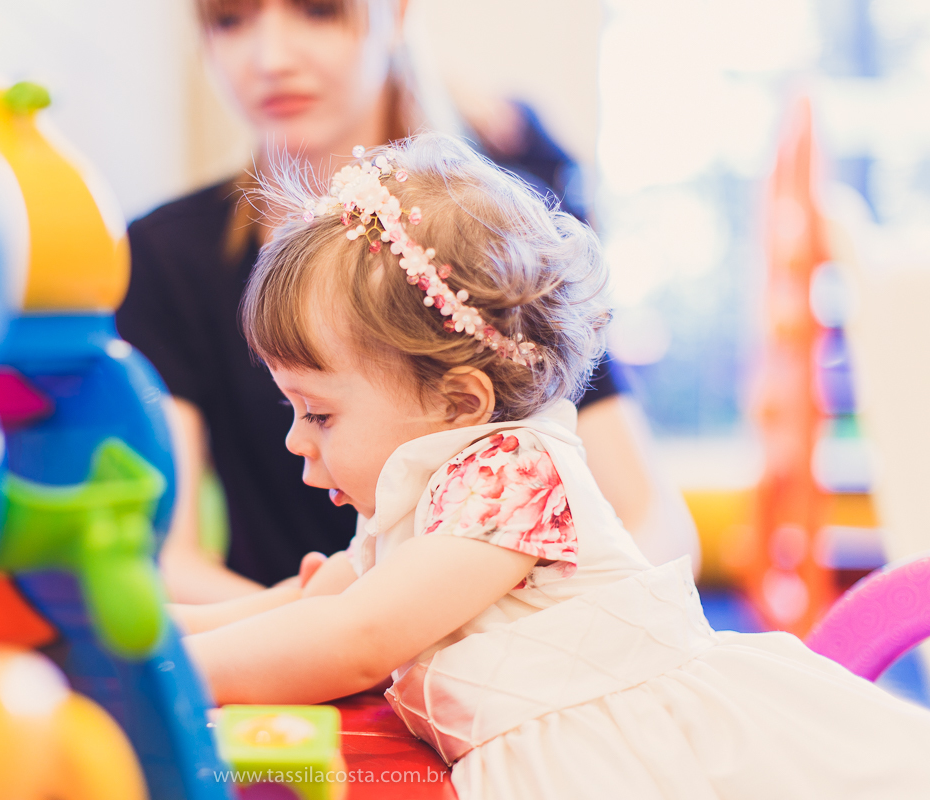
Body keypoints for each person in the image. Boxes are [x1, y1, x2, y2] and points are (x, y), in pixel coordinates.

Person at [173, 134, 930, 799]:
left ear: (461, 404)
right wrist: (144, 635)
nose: (296, 443)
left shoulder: (512, 476)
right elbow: (297, 602)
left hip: (638, 762)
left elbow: (356, 637)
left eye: (319, 414)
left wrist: (169, 673)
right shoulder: (414, 504)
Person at [117, 0, 697, 603]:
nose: (271, 59)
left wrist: (548, 642)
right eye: (231, 22)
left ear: (394, 15)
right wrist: (321, 643)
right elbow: (169, 560)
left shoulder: (500, 238)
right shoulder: (166, 256)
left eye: (317, 12)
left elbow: (651, 517)